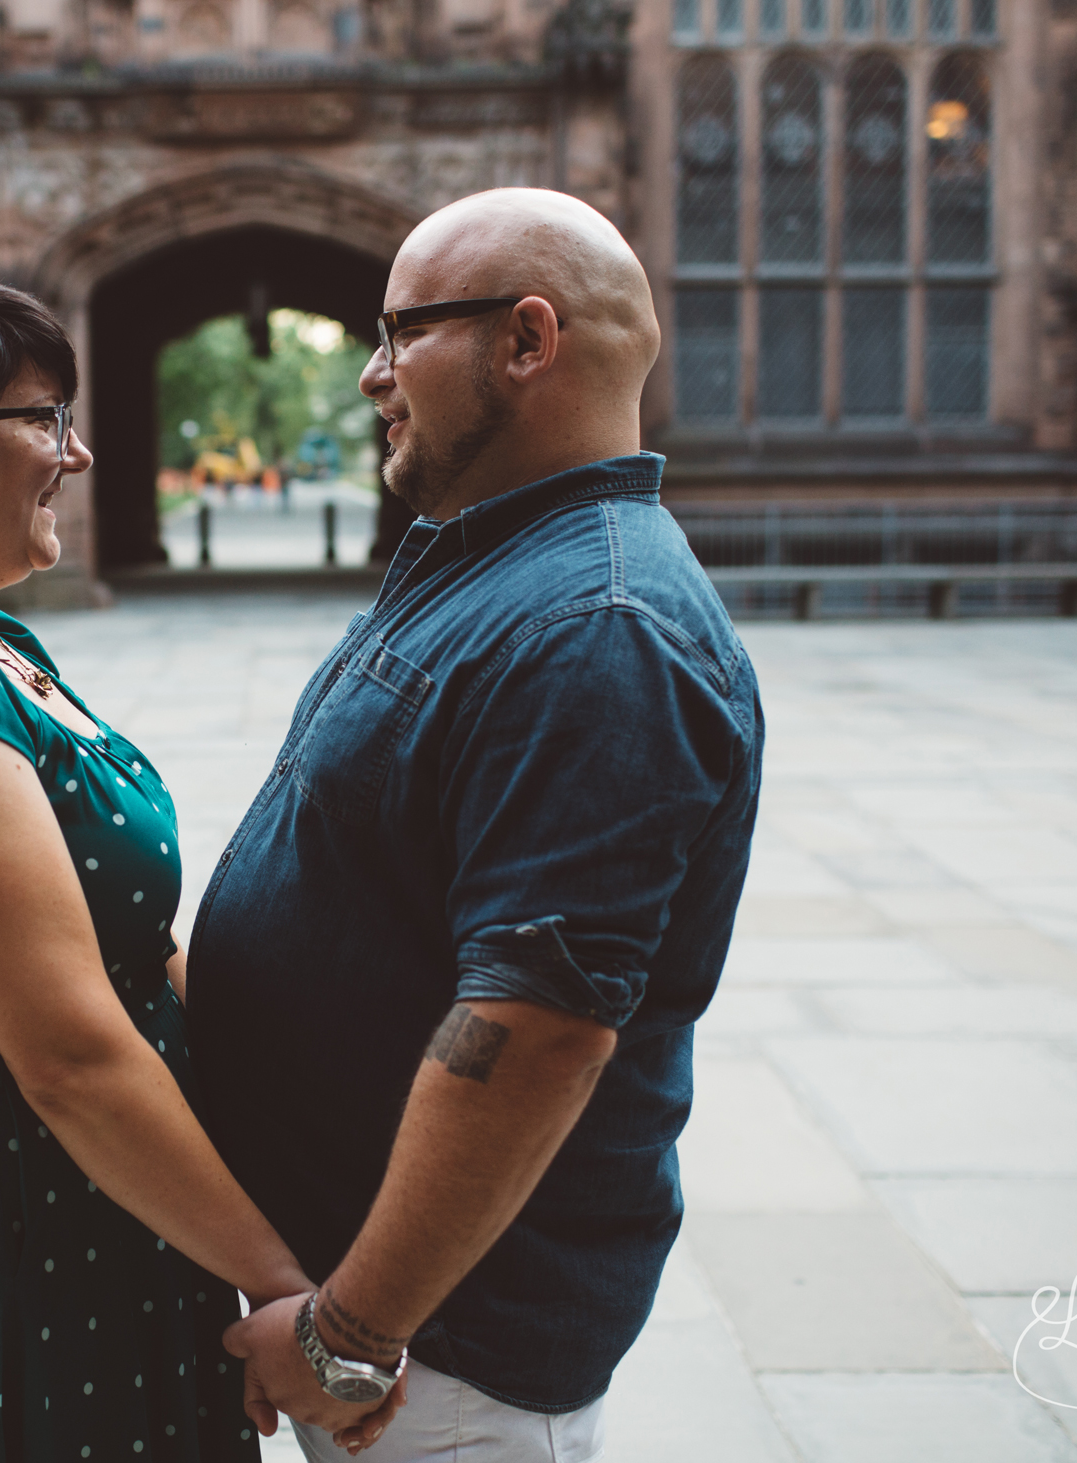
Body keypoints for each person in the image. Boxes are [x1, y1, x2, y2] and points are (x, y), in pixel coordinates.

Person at [0, 269, 401, 1461]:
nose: (81, 451)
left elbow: (125, 943)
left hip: (104, 1203)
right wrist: (291, 1296)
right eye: (44, 419)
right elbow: (65, 1048)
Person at [191, 188, 766, 1460]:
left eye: (401, 333)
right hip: (400, 1334)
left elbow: (538, 1030)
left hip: (443, 1365)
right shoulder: (502, 558)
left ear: (526, 340)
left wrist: (351, 1330)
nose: (370, 376)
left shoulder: (599, 626)